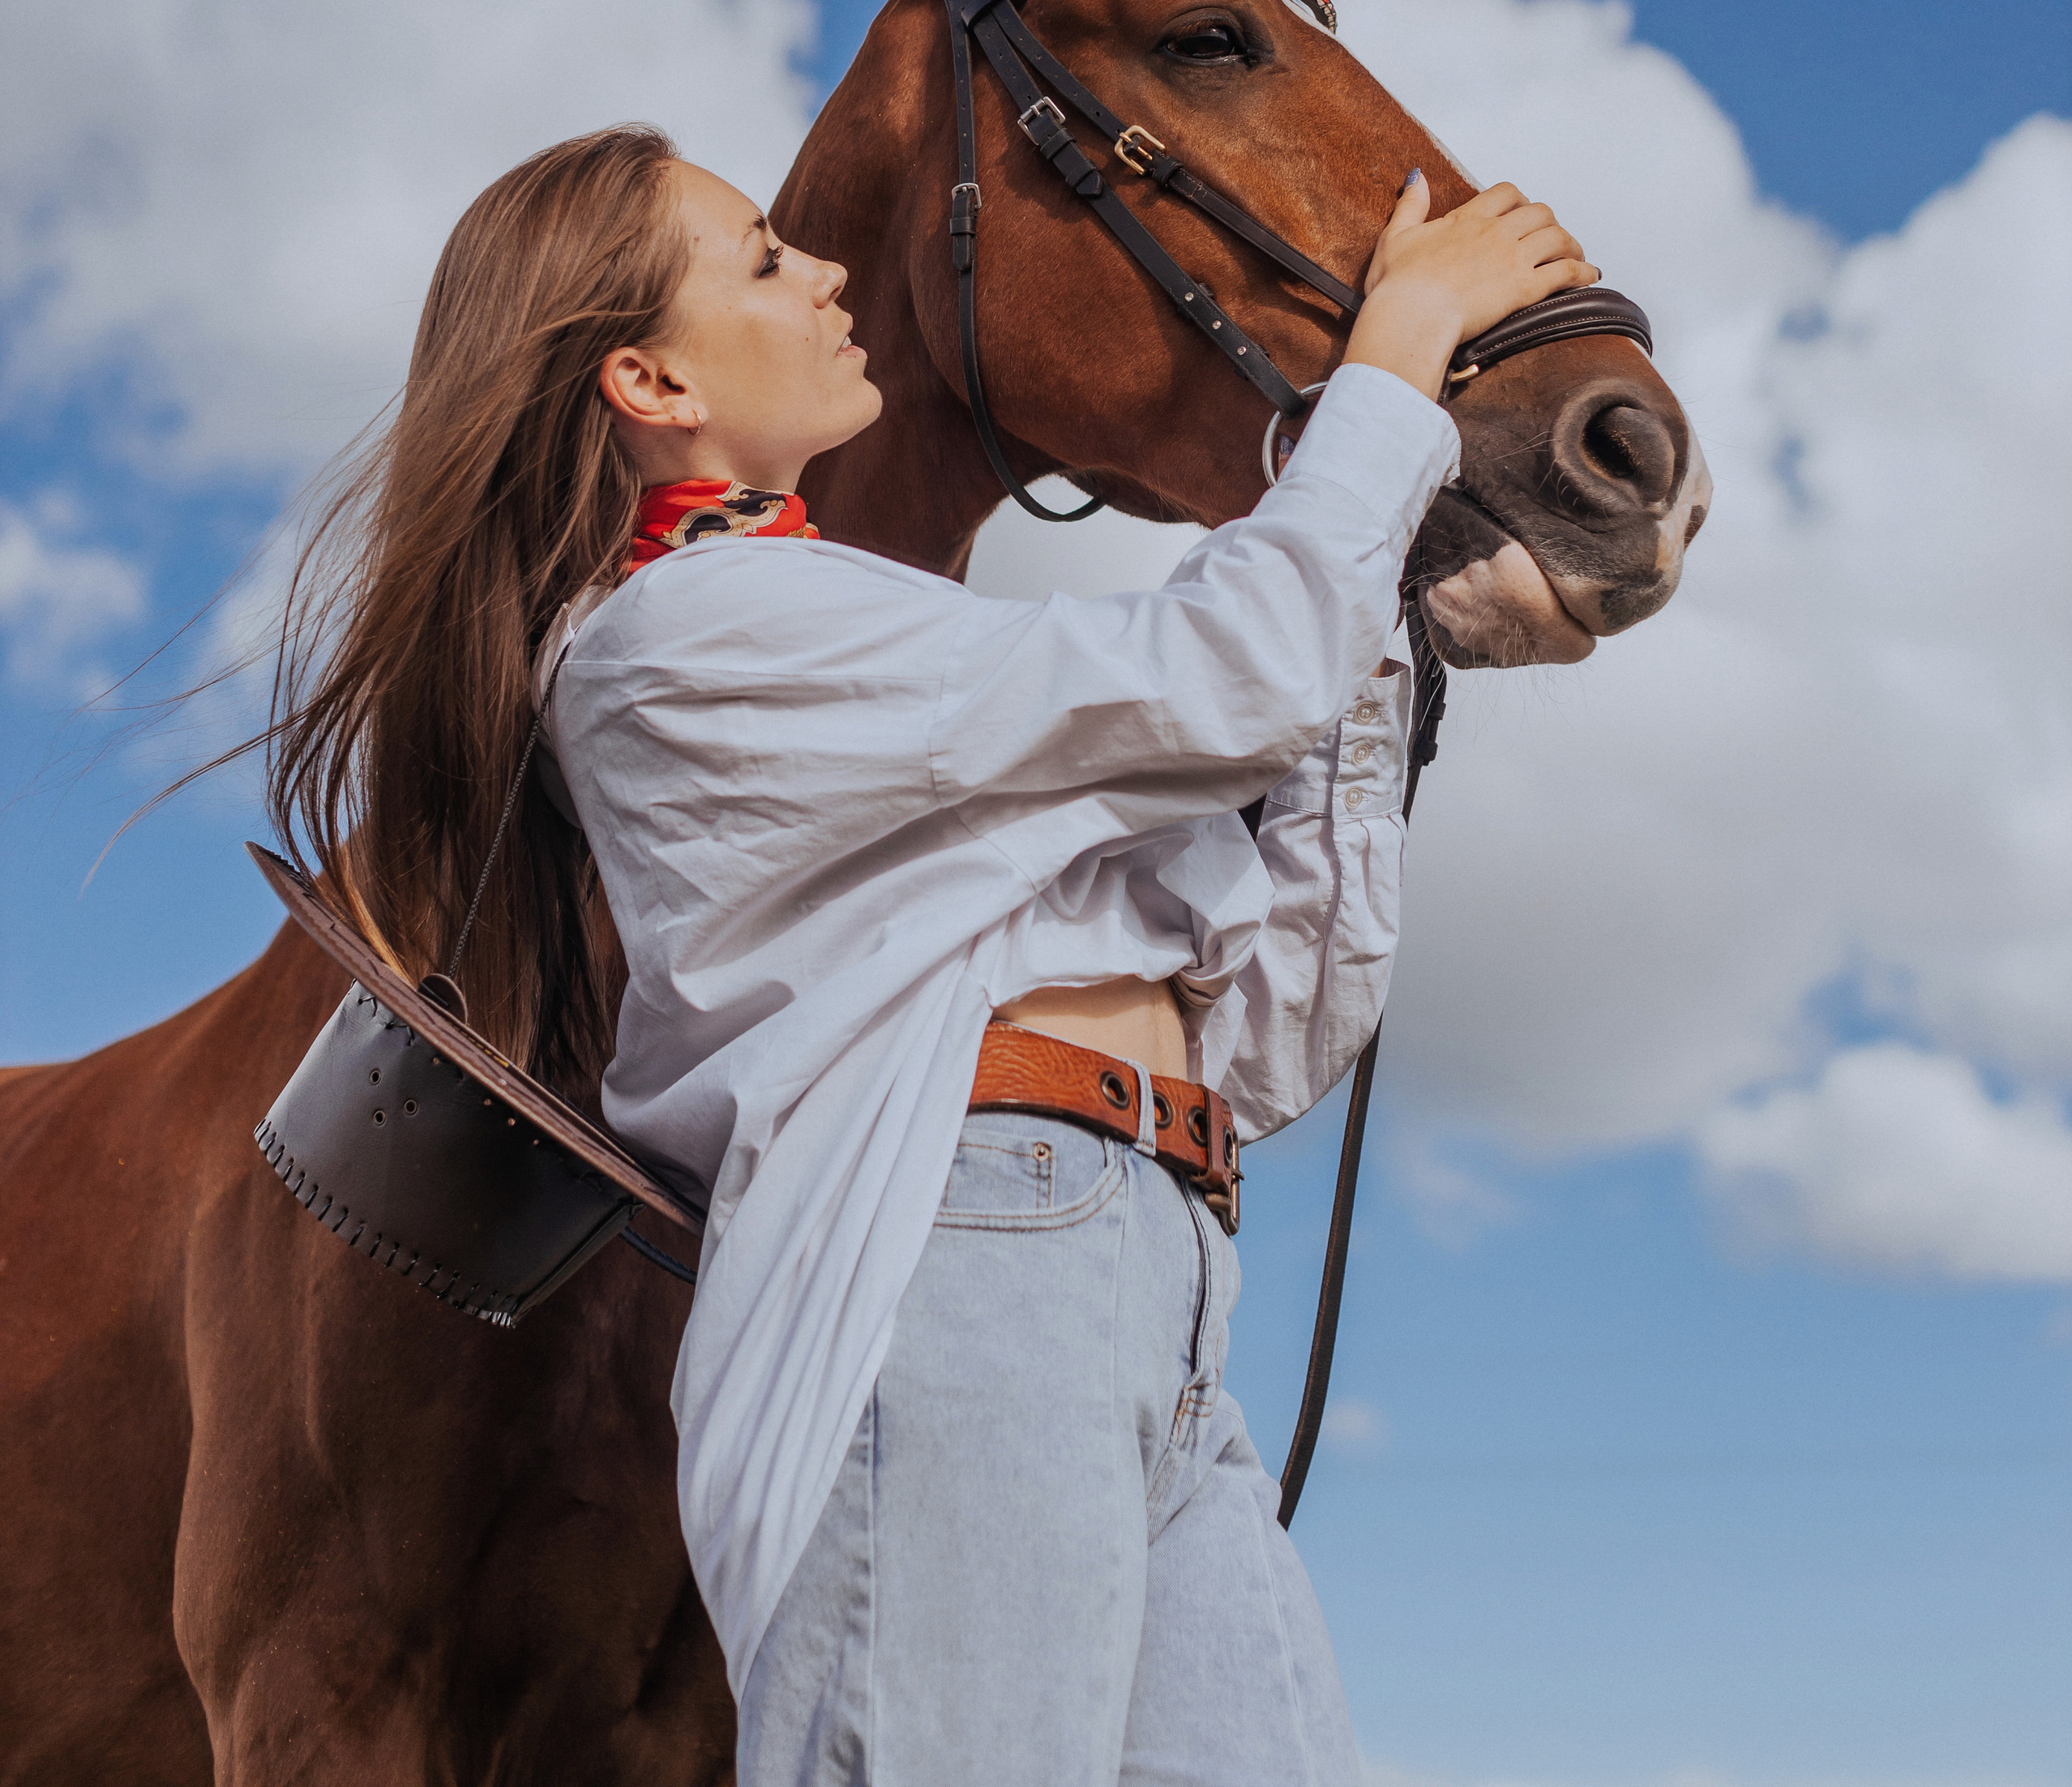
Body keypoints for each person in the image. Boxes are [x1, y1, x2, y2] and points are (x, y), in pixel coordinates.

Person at [272, 122, 1594, 1786]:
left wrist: (1373, 617)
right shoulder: (681, 634)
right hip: (966, 1261)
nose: (826, 278)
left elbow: (1259, 1037)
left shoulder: (892, 668)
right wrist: (1387, 372)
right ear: (648, 385)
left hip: (1150, 1266)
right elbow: (1222, 673)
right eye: (764, 259)